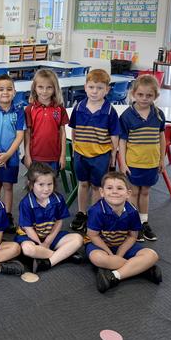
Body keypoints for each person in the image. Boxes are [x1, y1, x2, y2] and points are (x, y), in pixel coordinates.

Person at [86, 172, 162, 293]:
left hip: (123, 245)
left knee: (152, 255)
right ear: (102, 192)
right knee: (98, 258)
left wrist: (119, 255)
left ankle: (115, 275)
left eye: (120, 188)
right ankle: (142, 269)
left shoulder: (132, 211)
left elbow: (132, 236)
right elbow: (92, 235)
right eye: (109, 188)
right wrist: (110, 254)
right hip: (100, 246)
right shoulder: (96, 211)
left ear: (128, 193)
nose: (114, 191)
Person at [68, 69, 119, 232]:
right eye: (91, 87)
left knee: (97, 186)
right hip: (81, 153)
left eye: (99, 88)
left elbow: (114, 135)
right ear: (85, 87)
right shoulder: (79, 107)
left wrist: (113, 154)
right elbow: (74, 130)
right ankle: (82, 213)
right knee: (82, 183)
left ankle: (94, 214)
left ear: (107, 90)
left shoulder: (110, 111)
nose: (95, 91)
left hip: (100, 155)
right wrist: (75, 147)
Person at [118, 75, 166, 242]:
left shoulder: (158, 114)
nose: (144, 99)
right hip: (133, 163)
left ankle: (143, 222)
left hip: (151, 162)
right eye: (140, 95)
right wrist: (122, 163)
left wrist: (161, 159)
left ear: (155, 96)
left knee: (145, 192)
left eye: (149, 95)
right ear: (133, 94)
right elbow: (122, 141)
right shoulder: (126, 116)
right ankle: (133, 224)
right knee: (133, 192)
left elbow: (161, 137)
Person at [16, 162, 84, 273]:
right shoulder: (26, 203)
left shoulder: (58, 199)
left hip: (50, 236)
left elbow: (58, 222)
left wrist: (47, 242)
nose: (46, 189)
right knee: (28, 249)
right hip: (31, 238)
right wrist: (40, 244)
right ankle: (64, 256)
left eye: (49, 184)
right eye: (41, 185)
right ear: (31, 184)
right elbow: (28, 229)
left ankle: (48, 261)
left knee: (78, 239)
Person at [0, 74, 25, 233]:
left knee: (8, 186)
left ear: (14, 92)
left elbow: (20, 135)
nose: (5, 92)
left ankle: (7, 216)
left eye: (9, 89)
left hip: (11, 158)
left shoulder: (19, 112)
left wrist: (7, 155)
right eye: (1, 89)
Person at [23, 69, 68, 172]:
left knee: (50, 185)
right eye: (40, 87)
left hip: (54, 156)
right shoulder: (30, 109)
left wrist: (63, 155)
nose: (44, 91)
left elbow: (62, 133)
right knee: (35, 185)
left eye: (49, 87)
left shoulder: (60, 109)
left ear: (55, 88)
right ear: (34, 88)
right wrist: (27, 155)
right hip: (35, 156)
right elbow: (27, 134)